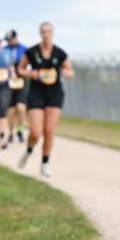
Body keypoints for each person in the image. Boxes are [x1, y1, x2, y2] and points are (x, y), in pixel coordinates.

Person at [16, 22, 73, 177]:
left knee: (49, 131)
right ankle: (28, 152)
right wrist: (30, 74)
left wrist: (66, 73)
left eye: (49, 31)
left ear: (52, 33)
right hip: (36, 93)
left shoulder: (59, 53)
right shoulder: (32, 52)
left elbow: (70, 70)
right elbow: (20, 69)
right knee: (35, 132)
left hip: (54, 93)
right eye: (43, 32)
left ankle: (45, 163)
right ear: (40, 33)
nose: (46, 34)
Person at [4, 30, 29, 143]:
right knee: (10, 110)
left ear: (15, 38)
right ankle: (10, 132)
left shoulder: (24, 49)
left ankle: (20, 129)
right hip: (8, 82)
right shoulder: (5, 50)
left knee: (21, 108)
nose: (9, 42)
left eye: (10, 39)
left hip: (21, 81)